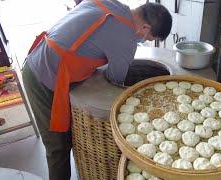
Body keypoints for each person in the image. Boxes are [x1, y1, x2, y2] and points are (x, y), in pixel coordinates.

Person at [21, 0, 172, 179]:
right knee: (58, 146)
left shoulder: (112, 4)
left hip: (41, 57)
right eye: (149, 39)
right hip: (43, 76)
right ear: (145, 28)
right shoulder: (126, 38)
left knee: (61, 140)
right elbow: (115, 81)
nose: (144, 41)